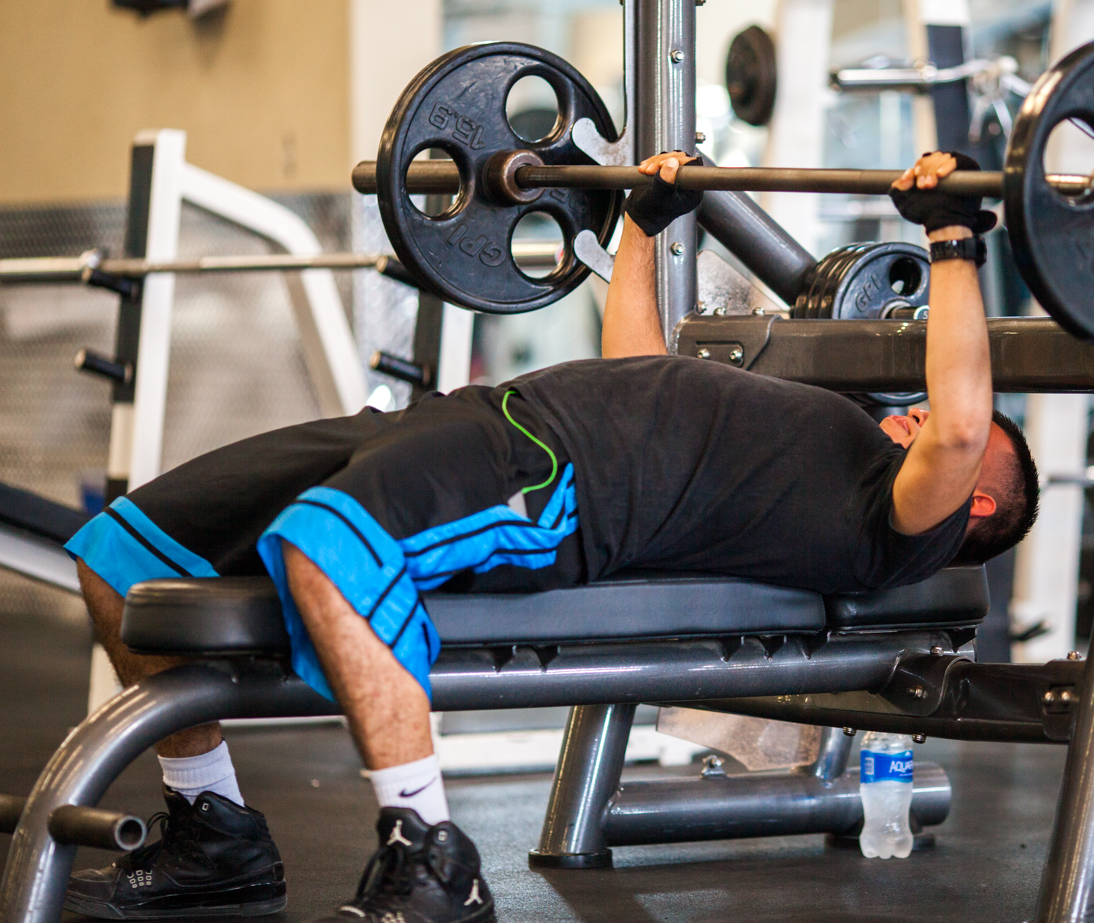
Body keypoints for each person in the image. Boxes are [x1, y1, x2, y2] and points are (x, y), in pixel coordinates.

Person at [63, 150, 1040, 922]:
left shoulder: (902, 524)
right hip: (488, 415)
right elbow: (636, 364)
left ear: (975, 505)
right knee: (123, 550)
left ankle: (432, 860)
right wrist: (643, 227)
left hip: (561, 479)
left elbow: (962, 426)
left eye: (947, 432)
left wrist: (952, 239)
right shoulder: (832, 433)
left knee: (329, 547)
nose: (920, 412)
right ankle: (216, 834)